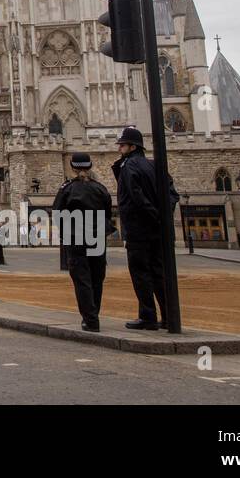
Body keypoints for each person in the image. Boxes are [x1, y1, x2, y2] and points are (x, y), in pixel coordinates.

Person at [112, 126, 167, 331]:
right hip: (157, 231)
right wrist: (162, 217)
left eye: (122, 145)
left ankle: (148, 316)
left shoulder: (129, 167)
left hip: (138, 230)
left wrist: (150, 214)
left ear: (132, 147)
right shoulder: (155, 166)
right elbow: (172, 194)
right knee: (159, 272)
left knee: (141, 273)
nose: (119, 149)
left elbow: (135, 197)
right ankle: (169, 316)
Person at [53, 153, 113, 331]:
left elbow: (57, 212)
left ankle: (91, 319)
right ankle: (94, 314)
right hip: (97, 237)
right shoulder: (100, 188)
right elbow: (108, 212)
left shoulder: (68, 188)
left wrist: (66, 232)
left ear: (72, 167)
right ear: (90, 166)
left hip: (76, 237)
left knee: (82, 279)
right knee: (97, 277)